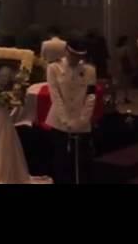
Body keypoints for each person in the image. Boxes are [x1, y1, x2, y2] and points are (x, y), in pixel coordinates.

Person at [45, 37, 97, 184]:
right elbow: (55, 96)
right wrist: (65, 120)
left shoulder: (89, 69)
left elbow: (91, 95)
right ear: (66, 51)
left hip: (82, 122)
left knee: (82, 161)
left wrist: (83, 120)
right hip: (59, 122)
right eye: (74, 55)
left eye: (80, 56)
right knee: (61, 161)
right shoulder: (53, 68)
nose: (77, 58)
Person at [112, 36, 134, 105]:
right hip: (126, 67)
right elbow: (129, 57)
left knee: (118, 82)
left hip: (118, 66)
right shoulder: (126, 48)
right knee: (126, 83)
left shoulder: (117, 49)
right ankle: (126, 98)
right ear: (124, 41)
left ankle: (115, 98)